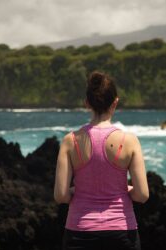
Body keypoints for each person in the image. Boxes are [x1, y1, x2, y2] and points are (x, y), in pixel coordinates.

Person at [54, 71, 149, 250]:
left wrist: (77, 190)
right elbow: (142, 195)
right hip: (121, 233)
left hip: (79, 232)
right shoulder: (129, 141)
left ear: (87, 103)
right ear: (115, 102)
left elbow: (60, 196)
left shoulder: (70, 141)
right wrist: (126, 189)